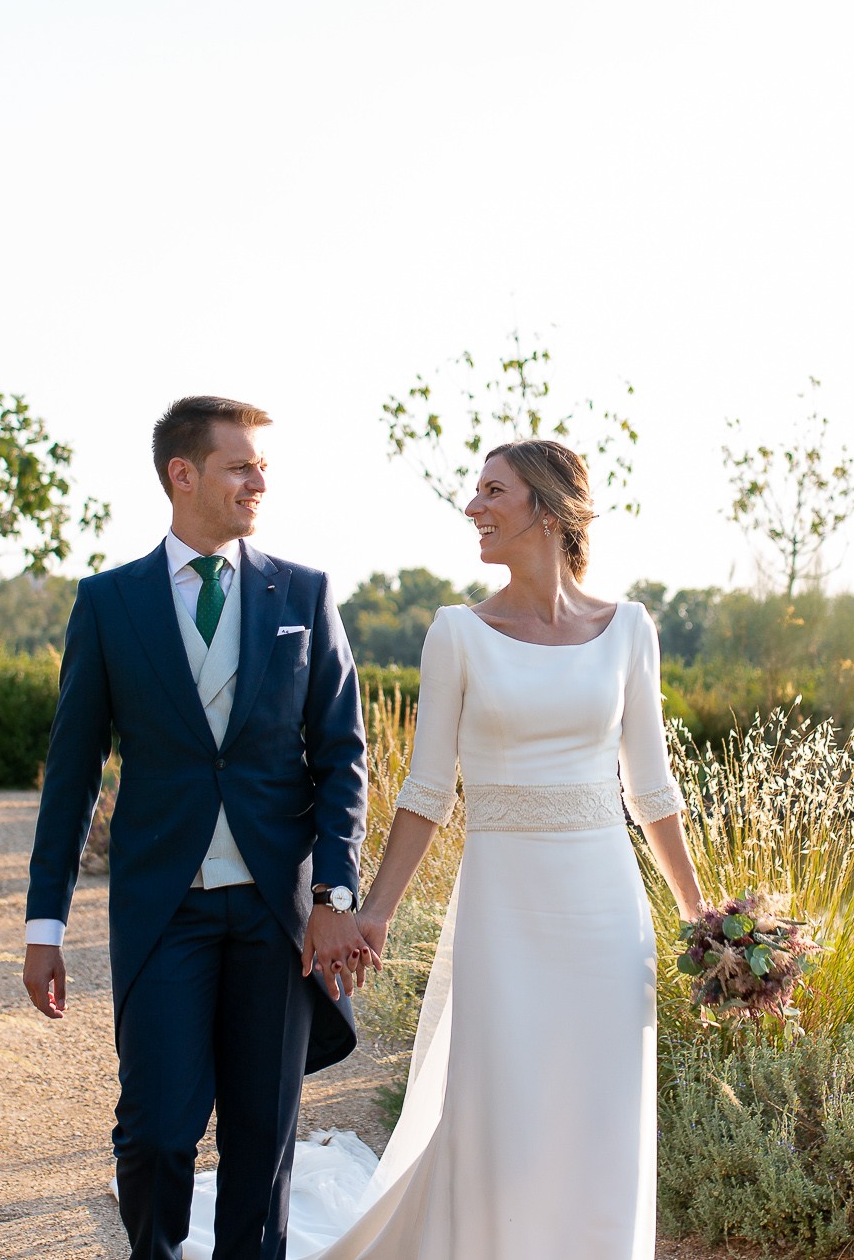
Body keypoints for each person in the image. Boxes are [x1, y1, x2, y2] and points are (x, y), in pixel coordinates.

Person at [295, 437, 709, 1259]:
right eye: (476, 491)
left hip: (605, 910)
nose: (473, 506)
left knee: (601, 1109)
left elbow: (652, 791)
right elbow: (426, 792)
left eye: (493, 491)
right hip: (502, 907)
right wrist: (375, 911)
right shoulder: (457, 633)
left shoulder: (630, 628)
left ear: (548, 510)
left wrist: (704, 917)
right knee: (502, 1106)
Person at [22, 395, 374, 1260]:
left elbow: (342, 756)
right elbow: (72, 775)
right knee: (154, 1131)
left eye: (263, 466)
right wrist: (44, 924)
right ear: (183, 474)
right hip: (165, 908)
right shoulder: (109, 602)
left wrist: (335, 894)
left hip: (276, 913)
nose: (260, 482)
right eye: (240, 465)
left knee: (262, 1140)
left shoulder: (304, 592)